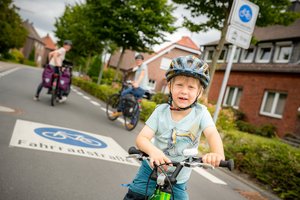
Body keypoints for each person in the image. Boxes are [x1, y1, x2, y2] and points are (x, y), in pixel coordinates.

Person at [123, 55, 225, 200]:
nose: (184, 91)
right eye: (179, 85)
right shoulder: (160, 111)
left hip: (179, 177)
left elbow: (213, 134)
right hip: (150, 170)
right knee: (135, 194)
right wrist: (153, 151)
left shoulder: (201, 113)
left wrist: (217, 154)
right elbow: (142, 138)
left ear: (199, 92)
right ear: (170, 87)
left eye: (191, 87)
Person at [110, 54, 149, 128]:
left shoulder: (144, 66)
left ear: (142, 61)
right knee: (136, 104)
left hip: (139, 88)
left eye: (139, 60)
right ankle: (132, 123)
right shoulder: (138, 68)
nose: (138, 61)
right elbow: (139, 78)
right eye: (137, 60)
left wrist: (137, 83)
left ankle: (119, 111)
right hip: (142, 89)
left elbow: (142, 75)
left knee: (123, 93)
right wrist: (133, 82)